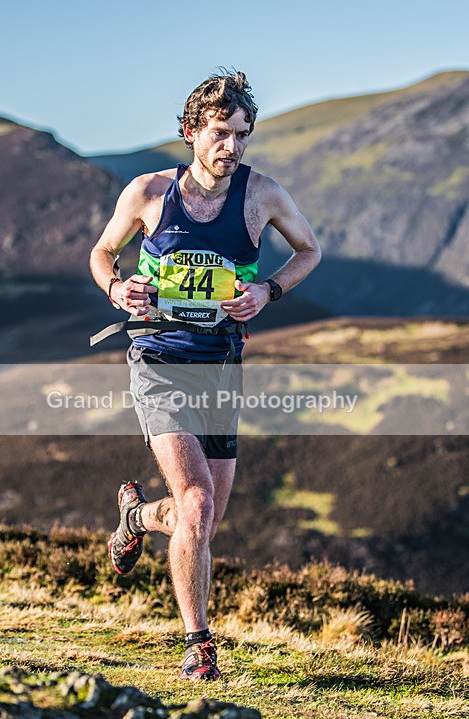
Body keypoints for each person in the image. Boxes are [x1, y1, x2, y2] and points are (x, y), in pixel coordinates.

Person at [89, 69, 321, 680]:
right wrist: (118, 288)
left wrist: (268, 290)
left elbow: (310, 250)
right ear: (191, 132)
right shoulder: (148, 193)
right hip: (159, 359)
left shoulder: (262, 195)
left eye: (242, 135)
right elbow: (102, 253)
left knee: (205, 520)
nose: (231, 146)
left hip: (222, 364)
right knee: (195, 502)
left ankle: (138, 517)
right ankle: (199, 646)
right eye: (220, 133)